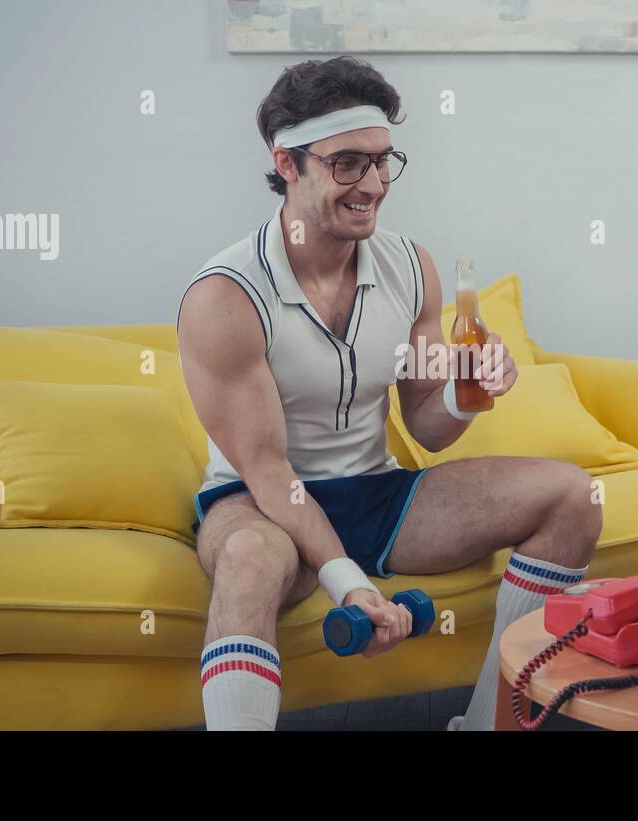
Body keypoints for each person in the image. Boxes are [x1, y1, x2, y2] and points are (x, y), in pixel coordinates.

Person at [177, 56, 600, 731]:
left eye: (382, 161)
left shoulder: (411, 265)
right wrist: (351, 582)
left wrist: (468, 393)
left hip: (375, 494)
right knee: (253, 558)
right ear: (287, 163)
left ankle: (493, 721)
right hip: (258, 502)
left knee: (575, 494)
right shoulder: (226, 295)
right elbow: (268, 471)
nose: (371, 184)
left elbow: (426, 426)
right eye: (347, 163)